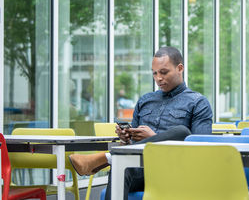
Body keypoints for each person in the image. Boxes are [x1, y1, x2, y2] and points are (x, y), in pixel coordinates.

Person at [68, 46, 213, 200]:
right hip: (142, 171)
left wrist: (155, 137)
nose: (158, 78)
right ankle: (115, 158)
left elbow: (200, 150)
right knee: (121, 168)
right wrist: (126, 137)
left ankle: (109, 157)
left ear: (180, 68)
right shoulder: (145, 100)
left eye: (164, 72)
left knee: (182, 132)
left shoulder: (198, 102)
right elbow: (130, 145)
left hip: (175, 173)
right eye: (155, 73)